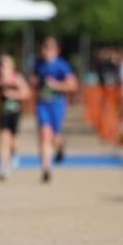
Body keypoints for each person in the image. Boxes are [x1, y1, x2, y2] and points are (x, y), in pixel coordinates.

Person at [32, 36, 77, 183]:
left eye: (49, 47)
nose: (46, 50)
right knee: (45, 134)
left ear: (57, 50)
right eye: (44, 47)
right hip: (43, 104)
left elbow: (72, 85)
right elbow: (34, 82)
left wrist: (56, 85)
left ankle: (60, 146)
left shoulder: (62, 65)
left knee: (55, 136)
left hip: (57, 104)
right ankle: (46, 169)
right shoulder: (38, 64)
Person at [0, 54, 31, 180]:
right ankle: (4, 169)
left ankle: (14, 154)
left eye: (4, 65)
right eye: (1, 65)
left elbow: (27, 93)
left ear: (11, 66)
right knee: (4, 140)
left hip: (15, 113)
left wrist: (13, 94)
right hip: (3, 114)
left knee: (12, 141)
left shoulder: (17, 78)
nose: (1, 68)